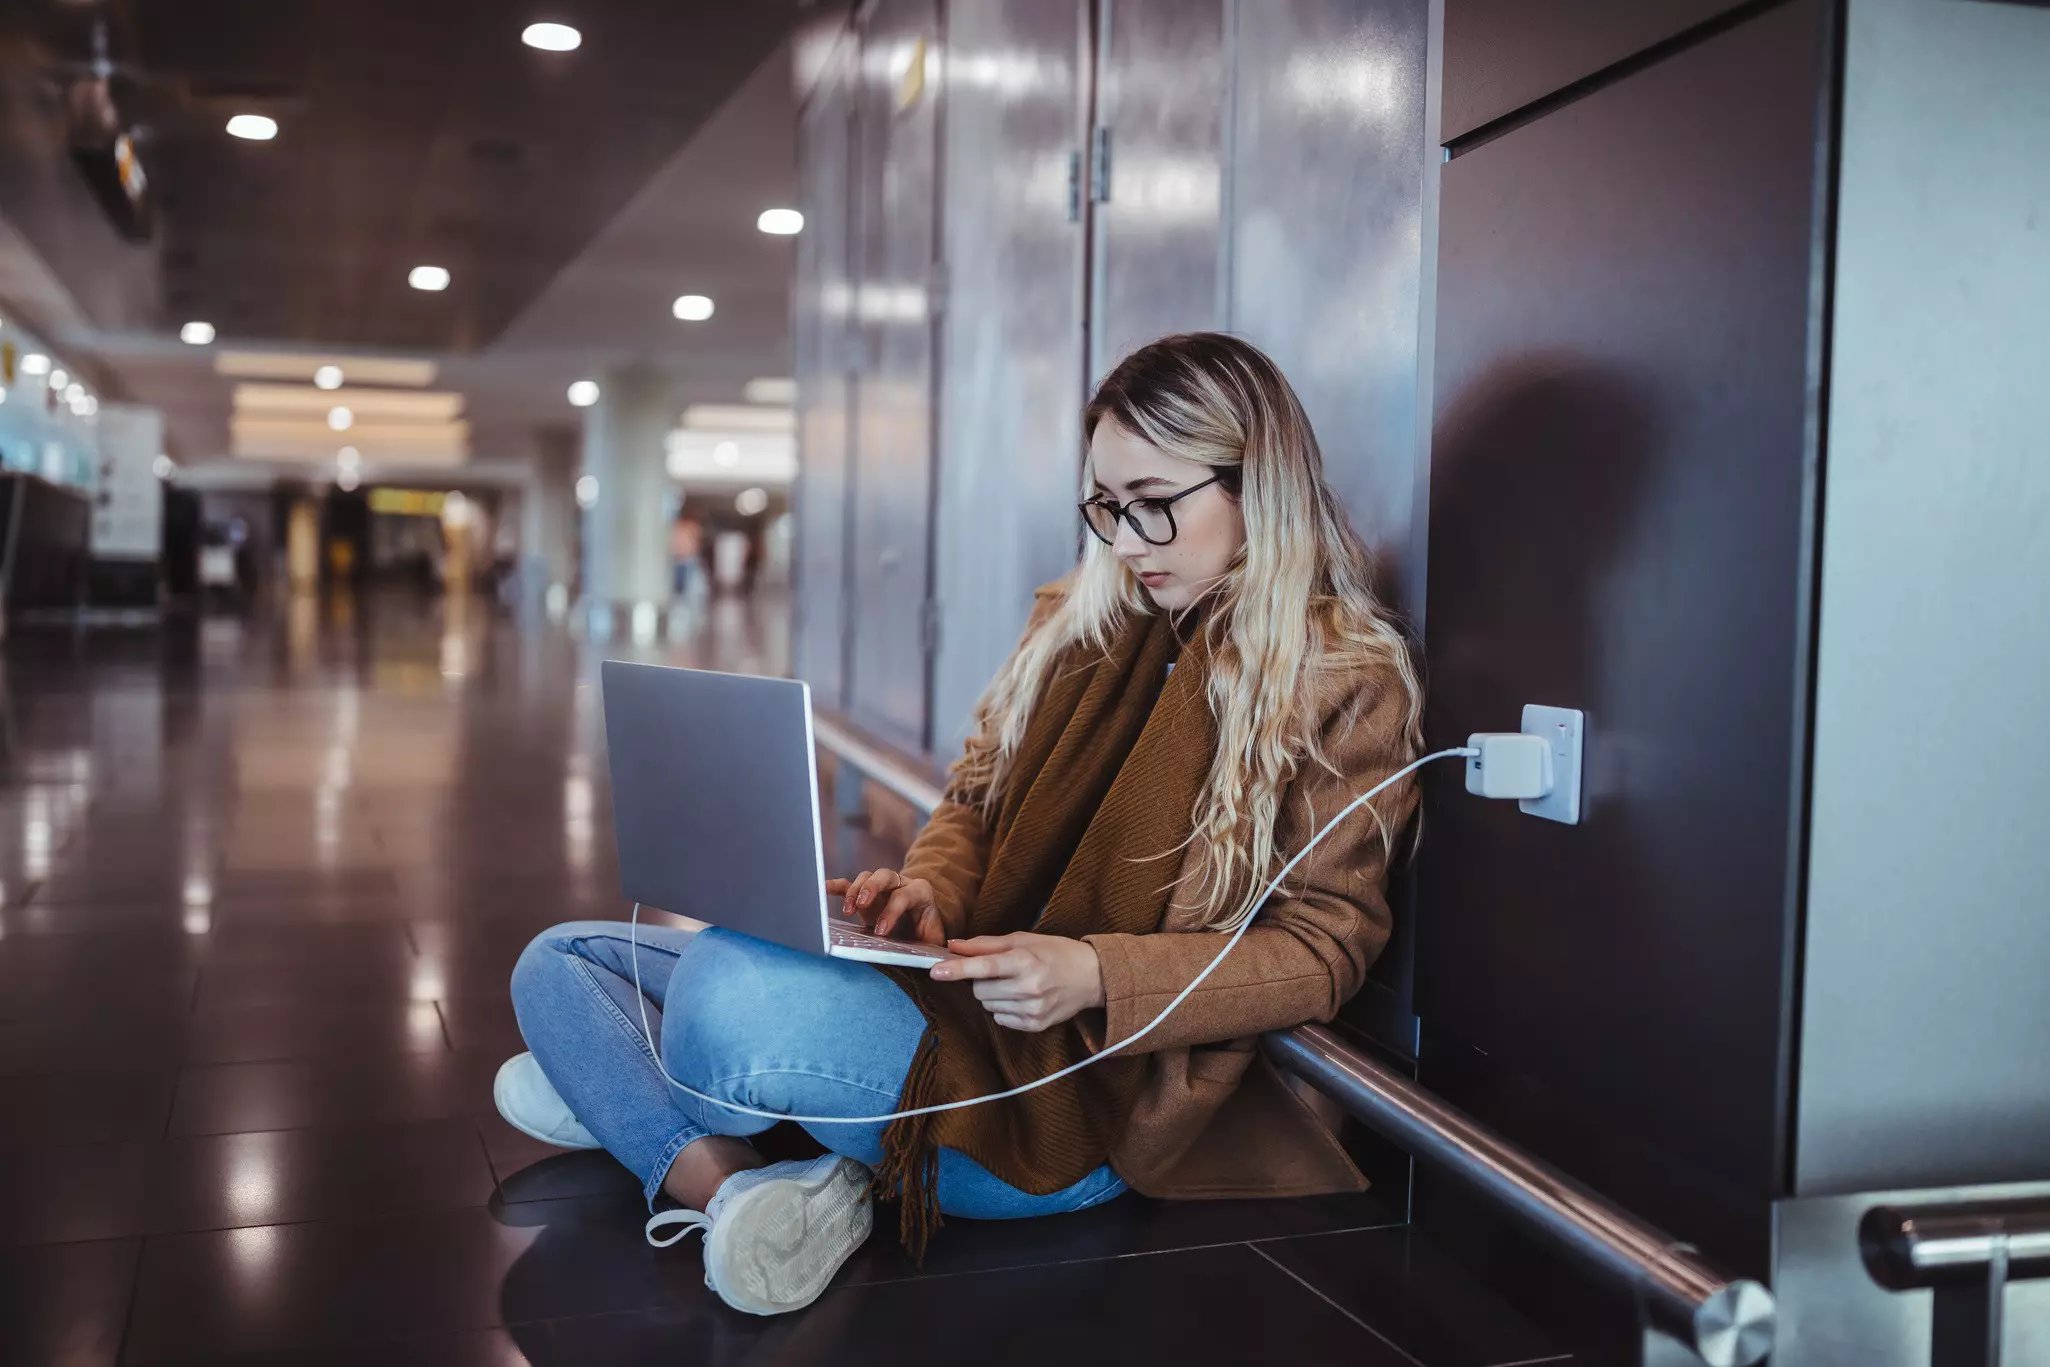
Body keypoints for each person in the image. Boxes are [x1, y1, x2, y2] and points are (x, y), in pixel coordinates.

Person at [496, 333, 1425, 1316]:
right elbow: (975, 802)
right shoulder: (1076, 620)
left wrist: (1096, 974)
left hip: (1072, 1104)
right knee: (553, 961)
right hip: (953, 992)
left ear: (1259, 480)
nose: (1126, 540)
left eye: (1154, 502)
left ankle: (655, 1100)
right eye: (1106, 506)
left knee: (722, 997)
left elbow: (1323, 950)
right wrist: (927, 887)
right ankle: (738, 1189)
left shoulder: (1341, 678)